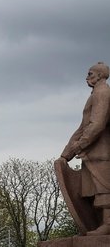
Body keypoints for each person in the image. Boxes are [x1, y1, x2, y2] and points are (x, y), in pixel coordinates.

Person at [58, 61, 110, 235]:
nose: (87, 77)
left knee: (104, 188)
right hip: (91, 153)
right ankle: (99, 226)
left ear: (101, 75)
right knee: (94, 191)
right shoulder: (95, 94)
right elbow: (82, 127)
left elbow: (97, 124)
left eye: (90, 74)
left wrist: (81, 144)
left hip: (101, 151)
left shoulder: (102, 92)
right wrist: (66, 155)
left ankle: (107, 225)